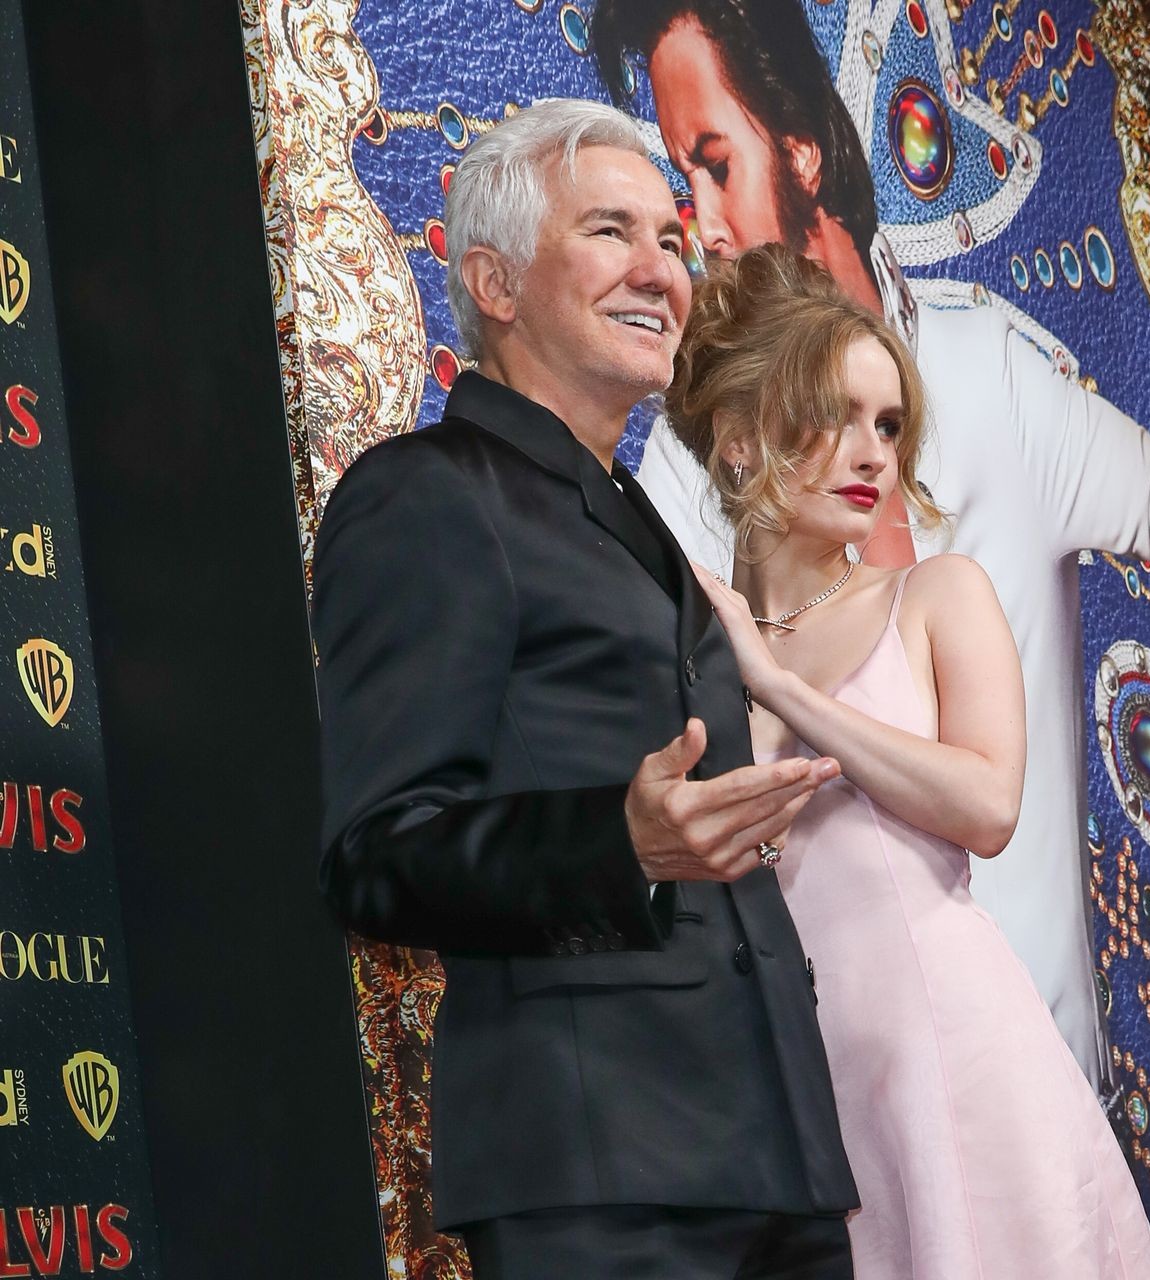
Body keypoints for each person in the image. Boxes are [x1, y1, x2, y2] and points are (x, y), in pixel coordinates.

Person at [589, 0, 1150, 1084]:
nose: (702, 224)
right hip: (843, 1069)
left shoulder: (989, 376)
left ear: (801, 147)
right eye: (682, 180)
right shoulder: (695, 464)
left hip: (1044, 1054)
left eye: (715, 166)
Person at [310, 100, 858, 1279]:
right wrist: (621, 843)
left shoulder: (637, 513)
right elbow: (375, 852)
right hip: (597, 1167)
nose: (661, 270)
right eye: (612, 231)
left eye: (672, 239)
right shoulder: (428, 494)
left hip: (778, 1159)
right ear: (495, 283)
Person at [673, 242, 1150, 1276]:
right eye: (837, 416)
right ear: (738, 441)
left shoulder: (937, 593)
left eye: (890, 425)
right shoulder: (689, 652)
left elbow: (988, 804)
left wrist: (783, 691)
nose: (872, 455)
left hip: (956, 1062)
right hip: (794, 1100)